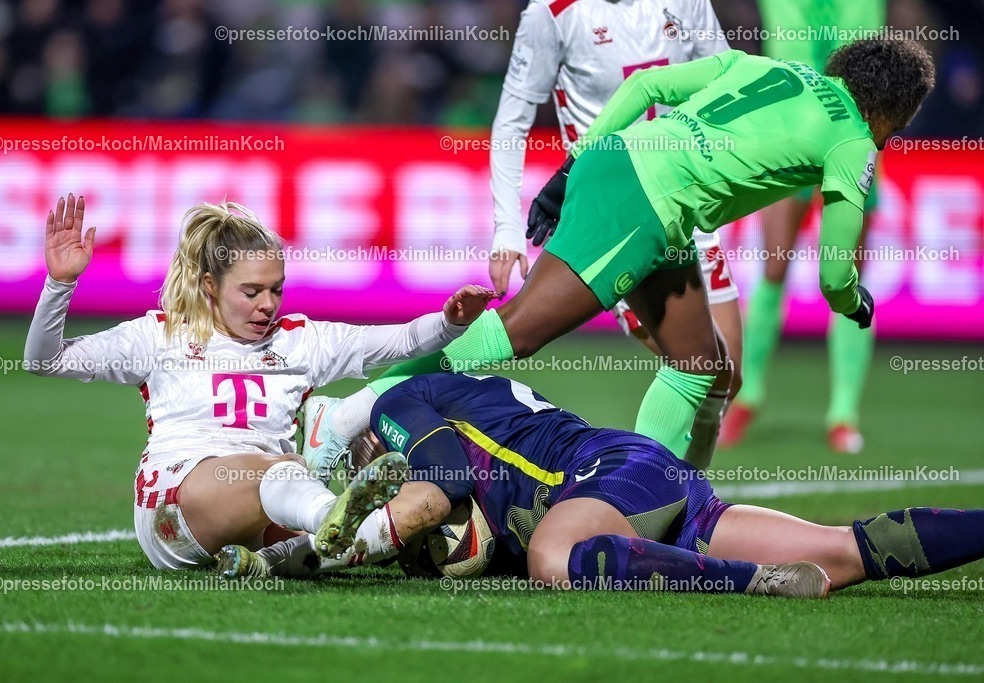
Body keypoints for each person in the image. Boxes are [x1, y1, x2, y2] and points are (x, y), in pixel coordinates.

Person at [302, 37, 935, 476]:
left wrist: (576, 162)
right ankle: (345, 418)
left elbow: (651, 84)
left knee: (700, 366)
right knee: (519, 332)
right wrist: (855, 300)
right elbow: (831, 275)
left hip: (632, 174)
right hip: (645, 203)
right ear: (894, 114)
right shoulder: (854, 142)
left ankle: (661, 499)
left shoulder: (768, 69)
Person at [24, 193, 495, 570]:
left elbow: (397, 341)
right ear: (210, 285)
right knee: (279, 470)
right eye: (250, 292)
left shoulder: (299, 341)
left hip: (269, 512)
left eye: (276, 289)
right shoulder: (160, 335)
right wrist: (59, 284)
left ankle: (267, 561)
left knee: (425, 504)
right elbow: (44, 361)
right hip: (179, 508)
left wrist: (450, 322)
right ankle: (337, 521)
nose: (267, 304)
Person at [226, 372, 984, 599]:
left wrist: (327, 550)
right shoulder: (447, 396)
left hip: (602, 476)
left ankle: (754, 582)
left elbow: (441, 483)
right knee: (845, 550)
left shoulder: (394, 405)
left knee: (558, 556)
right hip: (642, 477)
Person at [486, 0, 743, 472]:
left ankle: (680, 503)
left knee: (723, 377)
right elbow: (511, 122)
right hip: (616, 213)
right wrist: (506, 229)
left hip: (689, 197)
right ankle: (651, 498)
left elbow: (730, 83)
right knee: (696, 367)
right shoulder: (555, 12)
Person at [720, 0, 887, 454]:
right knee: (773, 269)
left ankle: (843, 414)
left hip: (856, 129)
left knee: (848, 274)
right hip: (788, 132)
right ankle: (747, 397)